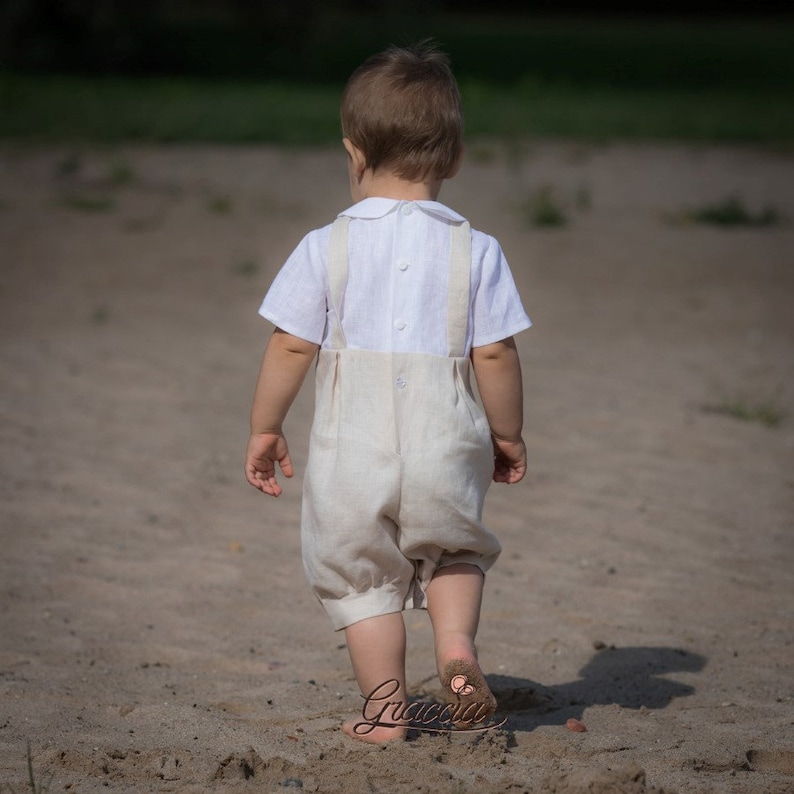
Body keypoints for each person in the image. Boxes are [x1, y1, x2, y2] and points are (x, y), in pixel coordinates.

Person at [245, 41, 531, 743]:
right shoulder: (476, 248)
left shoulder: (325, 246)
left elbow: (290, 343)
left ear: (353, 152)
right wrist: (508, 432)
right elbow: (494, 350)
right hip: (447, 437)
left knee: (359, 575)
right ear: (455, 158)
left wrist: (266, 425)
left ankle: (386, 712)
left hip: (353, 446)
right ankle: (456, 649)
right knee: (454, 550)